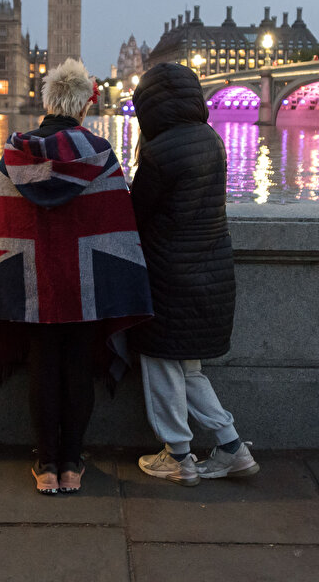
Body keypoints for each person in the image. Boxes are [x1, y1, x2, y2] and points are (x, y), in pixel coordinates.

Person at [0, 58, 152, 495]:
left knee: (43, 365)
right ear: (85, 105)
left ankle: (46, 465)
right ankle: (72, 464)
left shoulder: (15, 153)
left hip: (32, 280)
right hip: (84, 283)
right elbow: (116, 220)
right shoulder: (101, 153)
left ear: (46, 102)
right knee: (78, 366)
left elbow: (2, 222)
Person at [128, 62, 259, 486]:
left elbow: (135, 213)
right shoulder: (211, 139)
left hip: (169, 276)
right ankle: (232, 448)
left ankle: (178, 456)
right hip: (210, 272)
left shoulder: (160, 151)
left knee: (159, 363)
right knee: (189, 369)